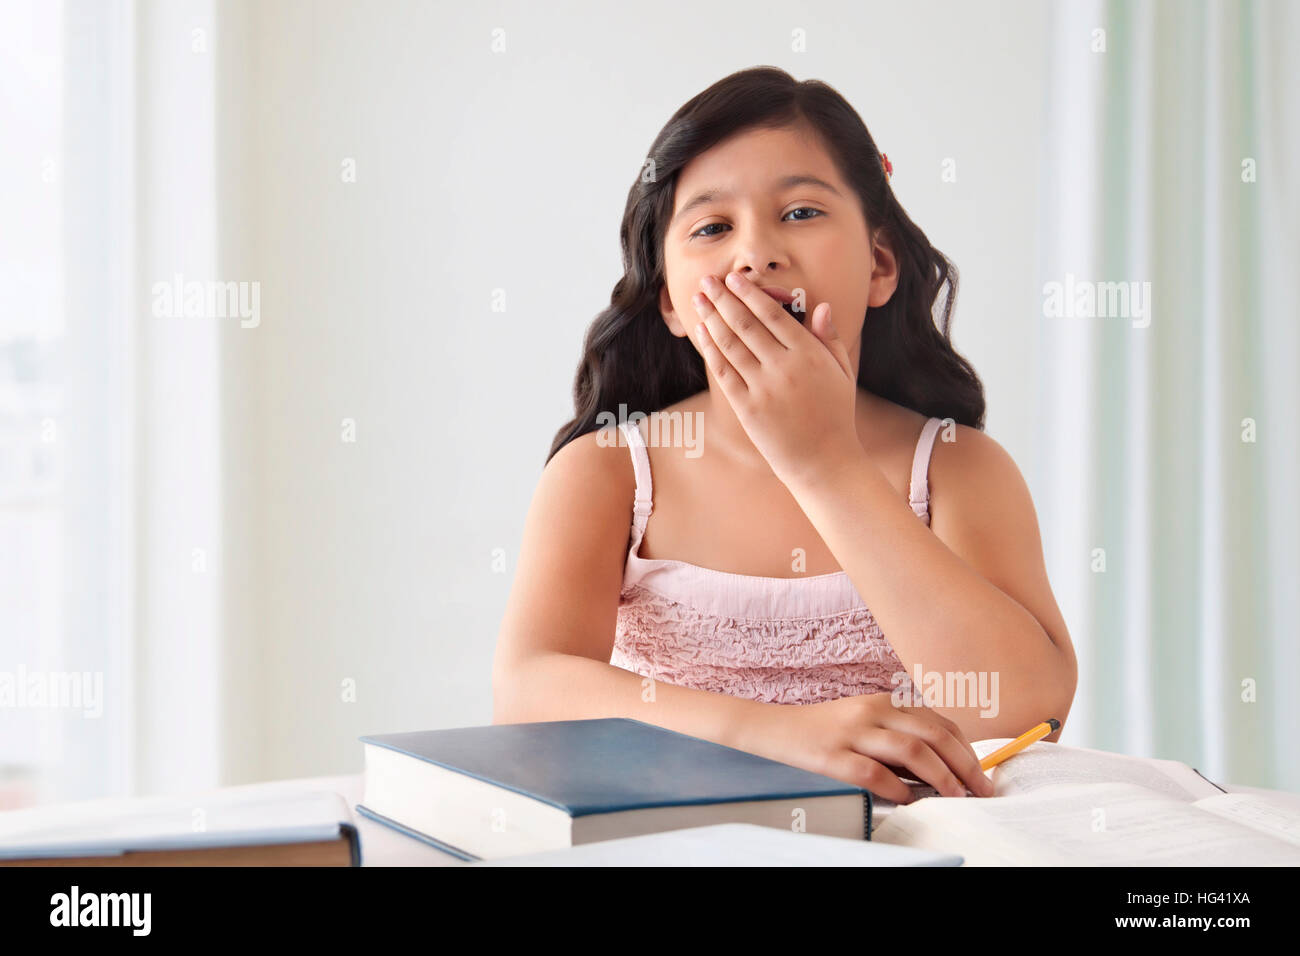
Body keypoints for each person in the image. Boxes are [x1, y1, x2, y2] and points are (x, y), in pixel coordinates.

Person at [493, 66, 1076, 804]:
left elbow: (1025, 712)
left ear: (879, 265)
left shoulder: (959, 467)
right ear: (671, 302)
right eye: (712, 228)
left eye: (800, 212)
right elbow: (527, 690)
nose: (755, 255)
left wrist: (825, 464)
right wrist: (772, 734)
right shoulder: (609, 471)